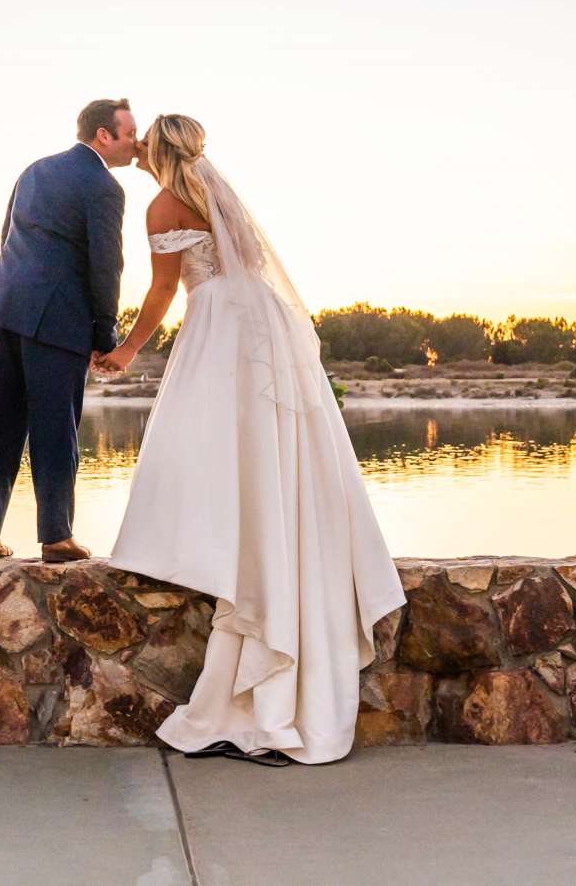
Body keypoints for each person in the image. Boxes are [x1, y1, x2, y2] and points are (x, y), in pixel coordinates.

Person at [100, 113, 405, 766]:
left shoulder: (162, 204)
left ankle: (258, 695)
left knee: (219, 466)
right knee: (270, 470)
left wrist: (127, 349)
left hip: (220, 332)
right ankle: (269, 665)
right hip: (261, 331)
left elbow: (161, 289)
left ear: (153, 152)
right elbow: (257, 266)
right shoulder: (221, 192)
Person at [0, 97, 136, 563]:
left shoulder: (34, 170)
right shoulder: (103, 186)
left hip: (5, 304)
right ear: (104, 135)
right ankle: (56, 537)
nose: (135, 144)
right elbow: (105, 267)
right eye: (129, 134)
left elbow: (6, 237)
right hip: (58, 318)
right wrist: (105, 334)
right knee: (56, 428)